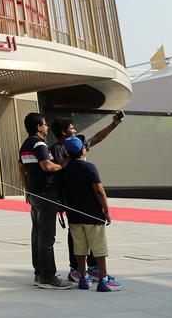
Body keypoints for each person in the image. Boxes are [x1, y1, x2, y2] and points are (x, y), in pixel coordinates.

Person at [50, 112, 124, 284]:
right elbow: (99, 190)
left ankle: (88, 271)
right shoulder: (57, 151)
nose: (75, 130)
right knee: (80, 237)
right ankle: (78, 269)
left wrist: (114, 124)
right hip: (75, 202)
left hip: (80, 202)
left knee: (81, 236)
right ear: (62, 132)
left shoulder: (77, 144)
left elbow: (98, 137)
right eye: (71, 128)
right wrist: (106, 211)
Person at [19, 113, 72, 289]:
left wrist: (27, 190)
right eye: (45, 124)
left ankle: (39, 273)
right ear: (38, 127)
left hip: (34, 195)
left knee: (37, 235)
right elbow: (47, 166)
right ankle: (48, 277)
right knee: (47, 237)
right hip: (46, 194)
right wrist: (64, 165)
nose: (47, 127)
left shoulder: (25, 144)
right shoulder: (39, 144)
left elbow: (21, 168)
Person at [61, 137, 120, 291]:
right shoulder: (90, 167)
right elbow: (99, 190)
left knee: (79, 248)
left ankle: (83, 277)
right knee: (99, 247)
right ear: (82, 150)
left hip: (74, 215)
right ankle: (104, 279)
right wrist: (106, 211)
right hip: (93, 215)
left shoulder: (63, 169)